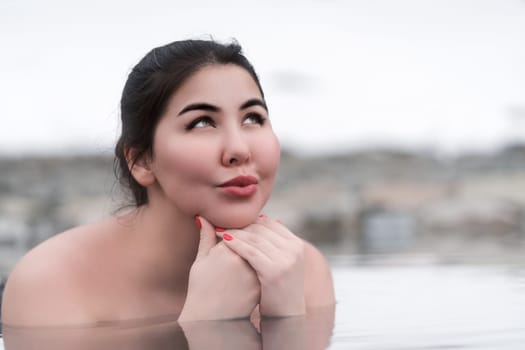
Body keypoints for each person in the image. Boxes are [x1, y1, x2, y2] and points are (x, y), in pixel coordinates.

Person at [1, 39, 335, 327]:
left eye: (253, 118)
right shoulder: (52, 284)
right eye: (202, 122)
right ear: (142, 161)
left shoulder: (299, 270)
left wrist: (287, 322)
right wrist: (207, 326)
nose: (238, 149)